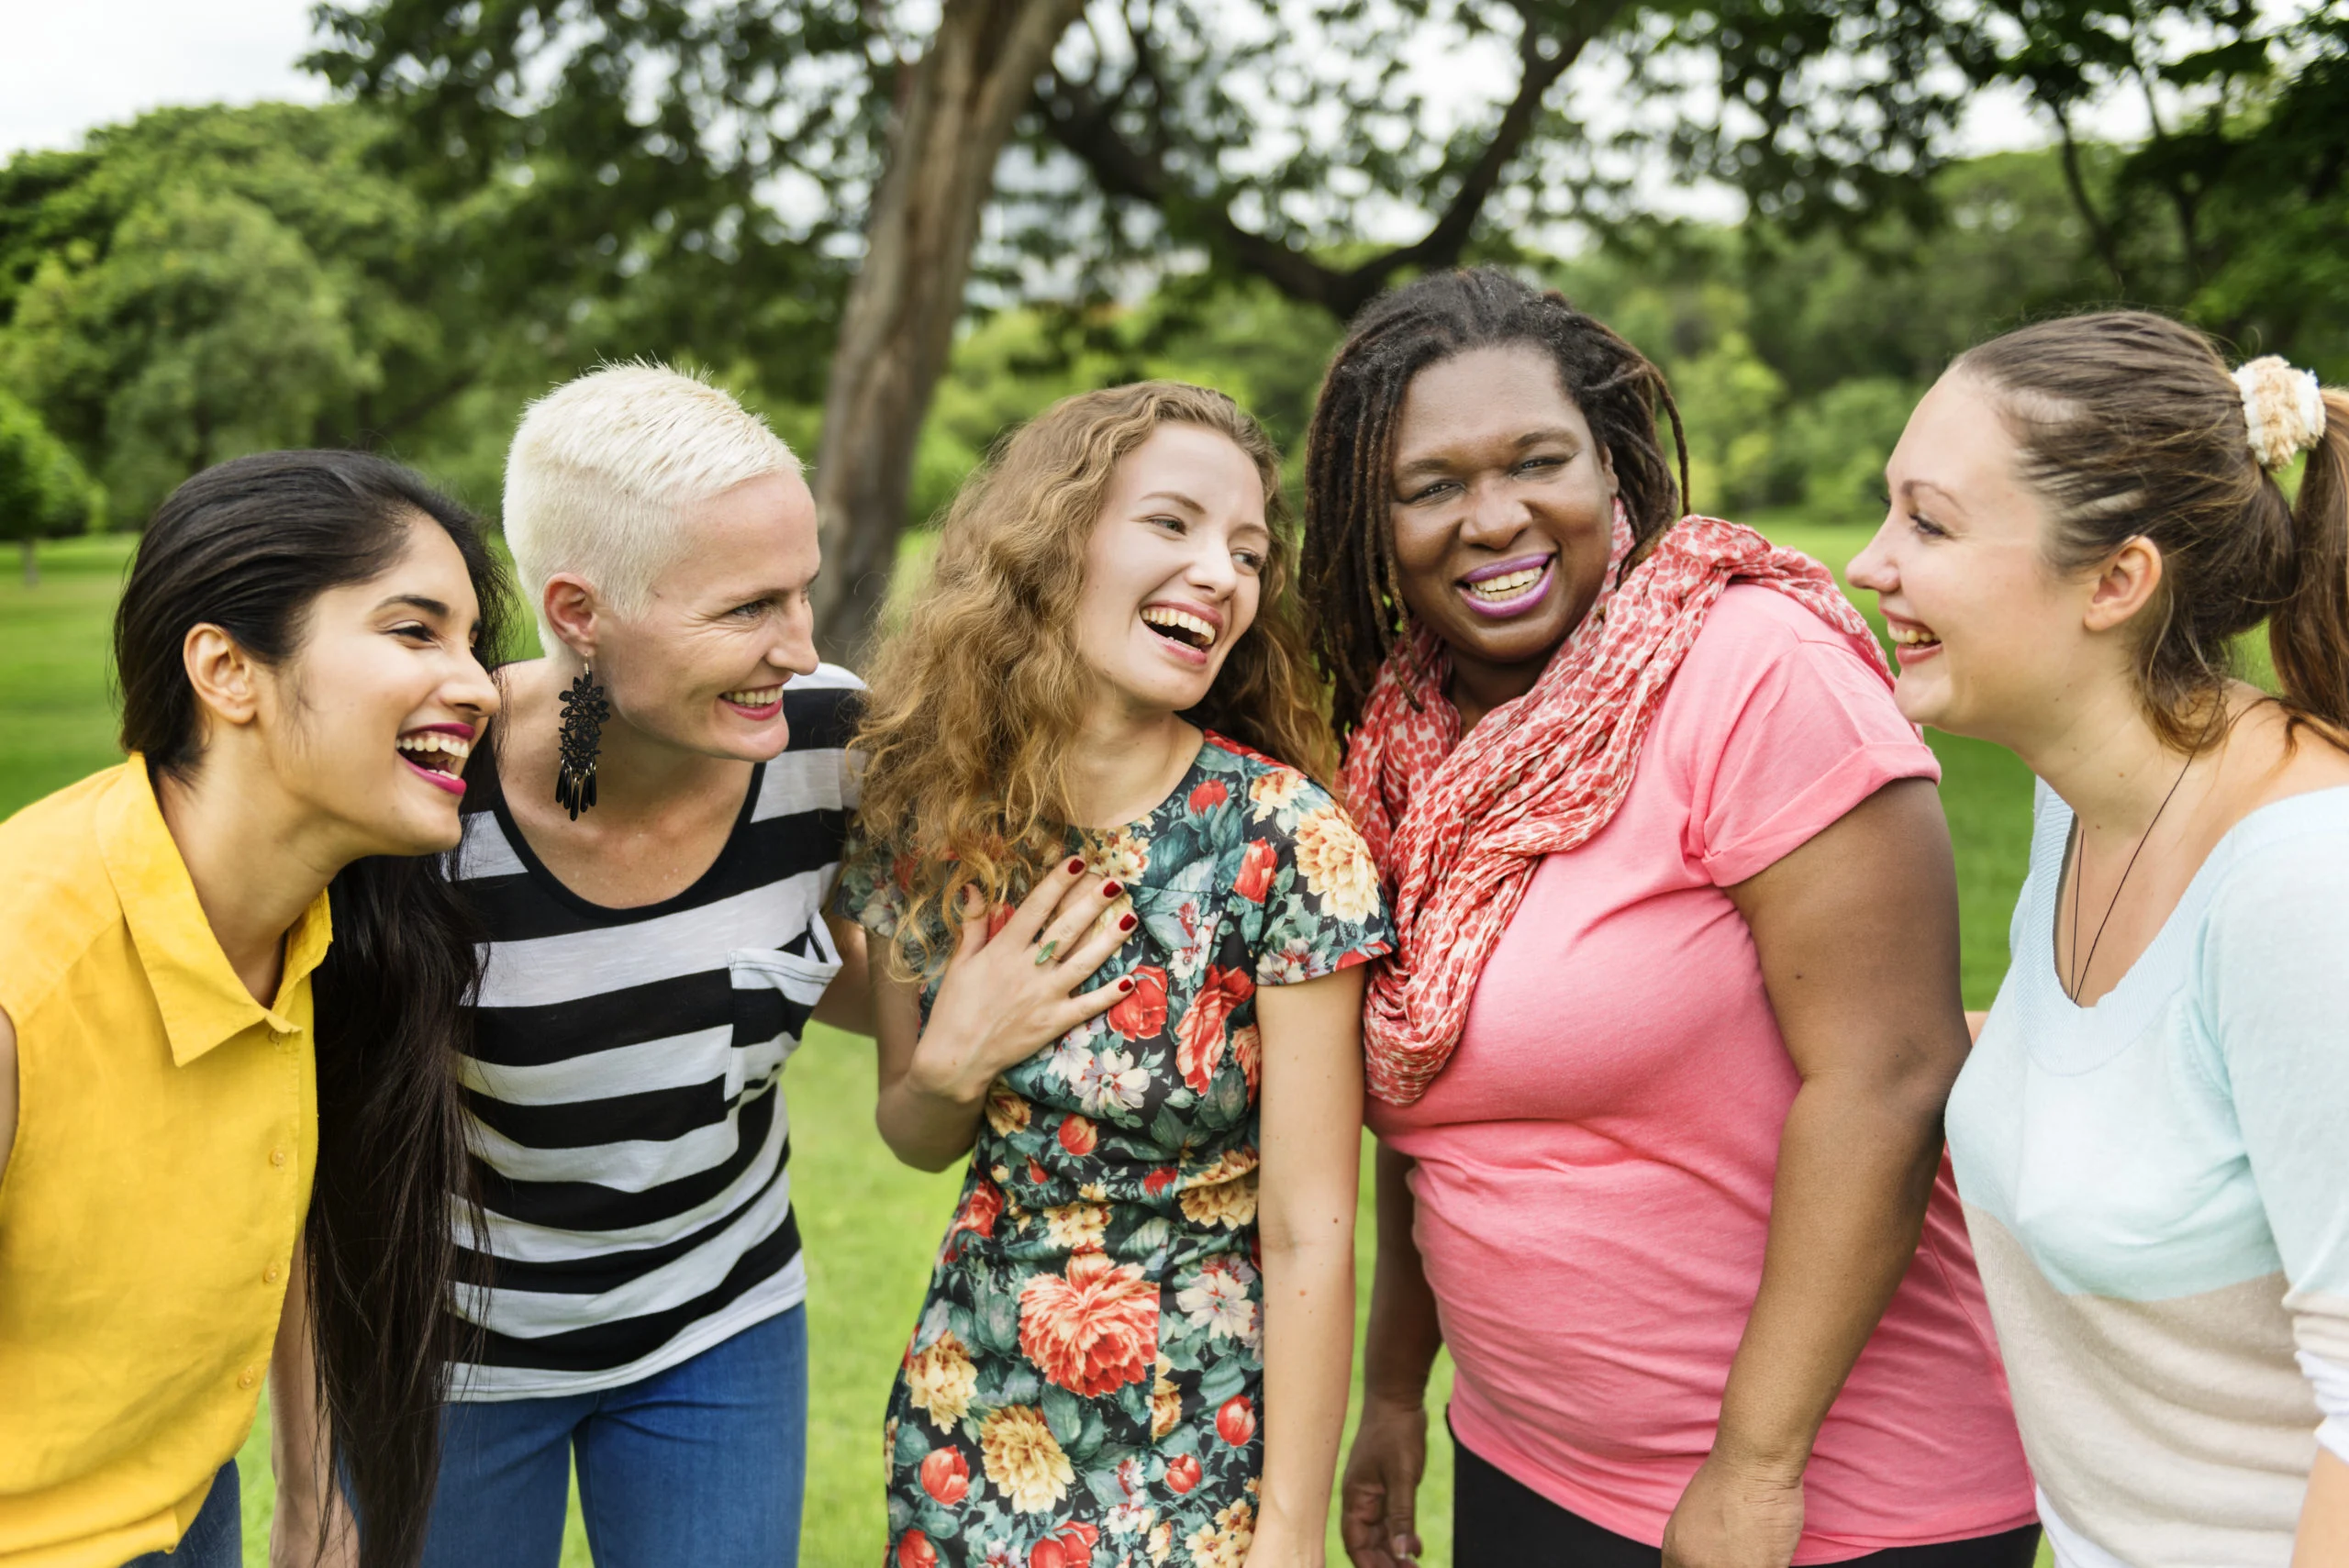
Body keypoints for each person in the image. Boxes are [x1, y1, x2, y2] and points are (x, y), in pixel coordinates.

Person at [1306, 270, 2039, 1568]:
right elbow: (1436, 1109)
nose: (1494, 519)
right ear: (1372, 519)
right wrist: (1391, 1392)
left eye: (1539, 461)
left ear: (1616, 470)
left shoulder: (1747, 667)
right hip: (1526, 1467)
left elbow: (1891, 1072)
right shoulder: (1399, 747)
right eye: (1431, 486)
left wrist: (1754, 1470)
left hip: (1829, 1500)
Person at [833, 381, 1390, 1568]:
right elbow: (916, 1131)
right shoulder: (925, 812)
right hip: (968, 1420)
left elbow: (1307, 1230)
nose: (1222, 574)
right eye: (1174, 524)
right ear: (1055, 541)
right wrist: (955, 1055)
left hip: (1197, 1446)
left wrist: (1287, 1532)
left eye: (1248, 552)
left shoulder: (1286, 842)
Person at [1848, 313, 2349, 1566]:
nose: (1868, 563)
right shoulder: (2080, 796)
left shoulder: (2301, 888)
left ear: (2117, 582)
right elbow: (2124, 1084)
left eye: (1931, 523)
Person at [0, 451, 506, 1568]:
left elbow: (288, 1220)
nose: (480, 684)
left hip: (185, 1509)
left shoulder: (318, 929)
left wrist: (319, 1509)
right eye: (416, 631)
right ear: (228, 670)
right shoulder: (22, 970)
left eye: (473, 641)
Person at [417, 364, 870, 1568]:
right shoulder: (424, 800)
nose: (802, 646)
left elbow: (857, 973)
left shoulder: (829, 743)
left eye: (803, 592)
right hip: (454, 1352)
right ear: (580, 610)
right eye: (749, 608)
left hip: (721, 1323)